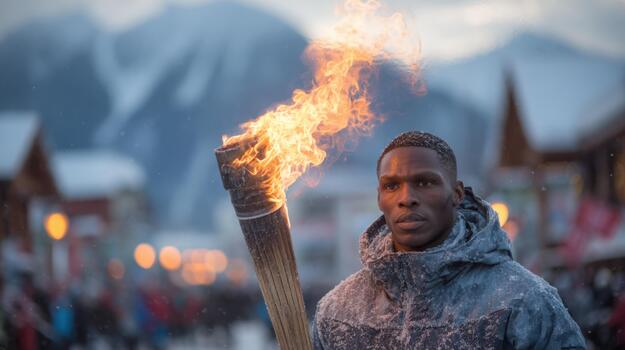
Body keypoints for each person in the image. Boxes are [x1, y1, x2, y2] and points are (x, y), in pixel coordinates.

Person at [312, 131, 586, 349]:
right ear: (379, 198)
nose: (406, 198)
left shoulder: (522, 301)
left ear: (456, 194)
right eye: (391, 185)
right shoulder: (338, 313)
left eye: (424, 182)